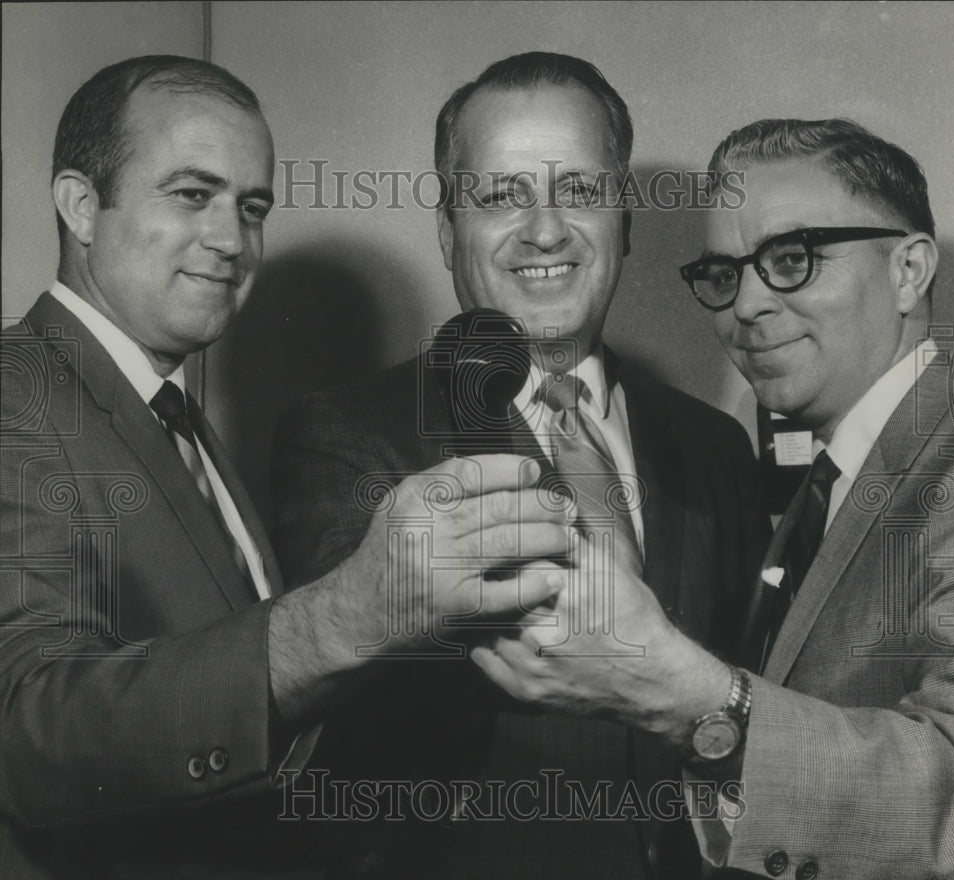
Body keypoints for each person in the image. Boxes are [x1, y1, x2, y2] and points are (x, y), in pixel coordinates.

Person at [0, 55, 573, 880]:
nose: (232, 240)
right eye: (192, 195)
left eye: (252, 206)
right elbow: (24, 730)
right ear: (81, 205)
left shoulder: (173, 418)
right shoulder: (18, 390)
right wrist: (345, 615)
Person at [273, 52, 770, 879]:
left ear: (626, 221)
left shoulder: (715, 445)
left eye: (579, 191)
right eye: (502, 196)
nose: (545, 230)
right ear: (445, 233)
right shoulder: (348, 437)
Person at [472, 118, 954, 879]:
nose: (746, 306)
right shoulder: (829, 484)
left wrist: (694, 698)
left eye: (792, 259)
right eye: (725, 273)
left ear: (909, 270)